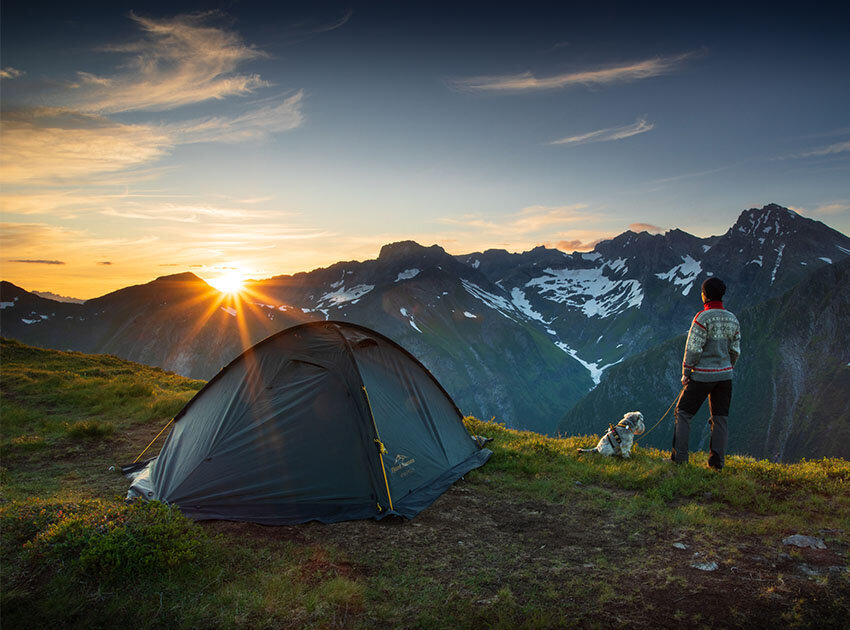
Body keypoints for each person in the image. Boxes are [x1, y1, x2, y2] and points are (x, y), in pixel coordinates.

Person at [671, 277, 741, 470]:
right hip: (725, 376)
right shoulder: (732, 319)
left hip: (702, 375)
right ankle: (717, 463)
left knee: (683, 413)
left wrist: (686, 372)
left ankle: (680, 459)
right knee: (720, 418)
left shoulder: (702, 318)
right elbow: (735, 350)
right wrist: (728, 365)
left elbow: (693, 349)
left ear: (704, 295)